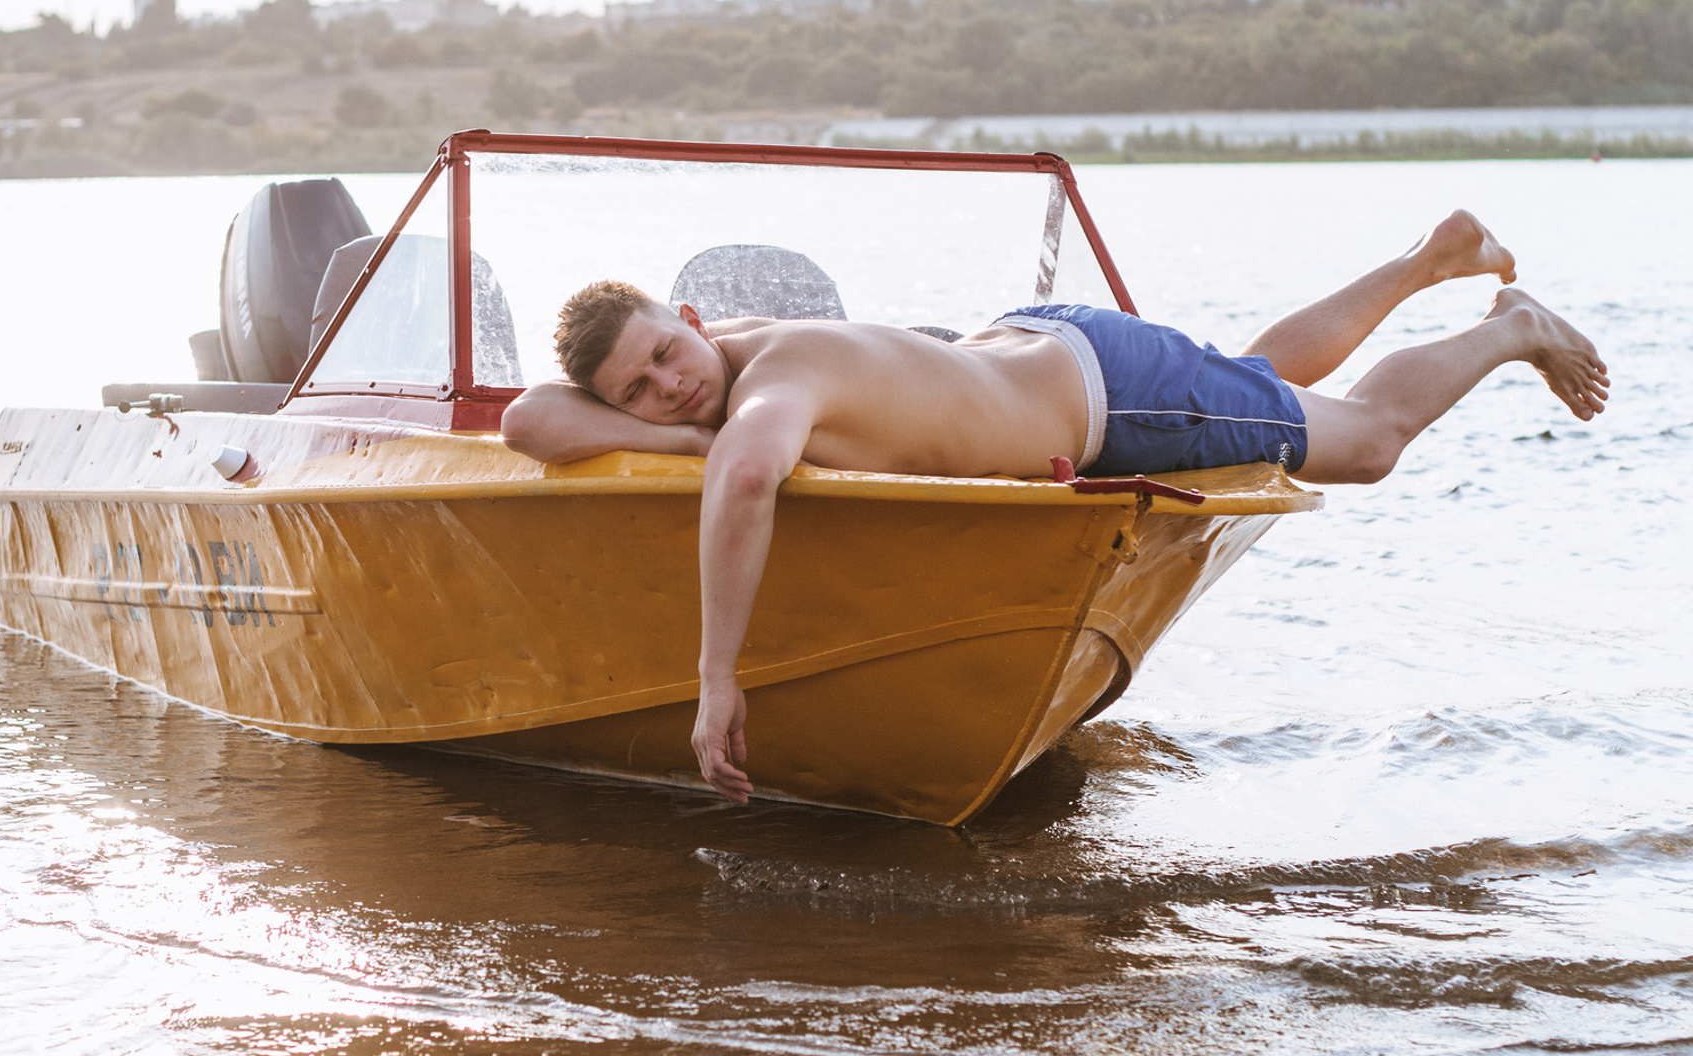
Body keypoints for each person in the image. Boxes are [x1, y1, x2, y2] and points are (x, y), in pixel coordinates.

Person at [500, 211, 1608, 804]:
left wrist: (716, 681)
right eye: (635, 391)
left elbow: (746, 478)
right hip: (1051, 354)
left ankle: (1510, 325)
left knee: (1364, 442)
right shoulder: (728, 374)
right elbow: (526, 421)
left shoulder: (770, 390)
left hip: (1109, 398)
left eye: (667, 354)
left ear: (692, 318)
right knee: (1255, 384)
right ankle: (1426, 258)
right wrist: (676, 434)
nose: (667, 386)